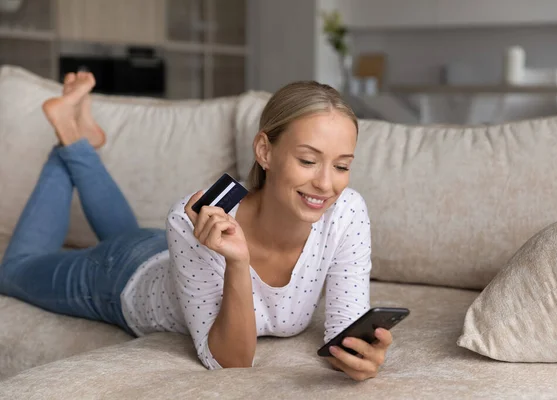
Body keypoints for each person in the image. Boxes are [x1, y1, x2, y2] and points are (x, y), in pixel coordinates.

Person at [0, 72, 393, 381]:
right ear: (264, 151)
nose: (326, 184)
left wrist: (360, 356)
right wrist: (238, 262)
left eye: (342, 165)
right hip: (120, 277)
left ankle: (82, 141)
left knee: (127, 233)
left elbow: (345, 332)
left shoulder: (346, 213)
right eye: (308, 160)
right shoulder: (193, 223)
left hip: (166, 254)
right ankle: (68, 138)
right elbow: (230, 363)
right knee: (12, 271)